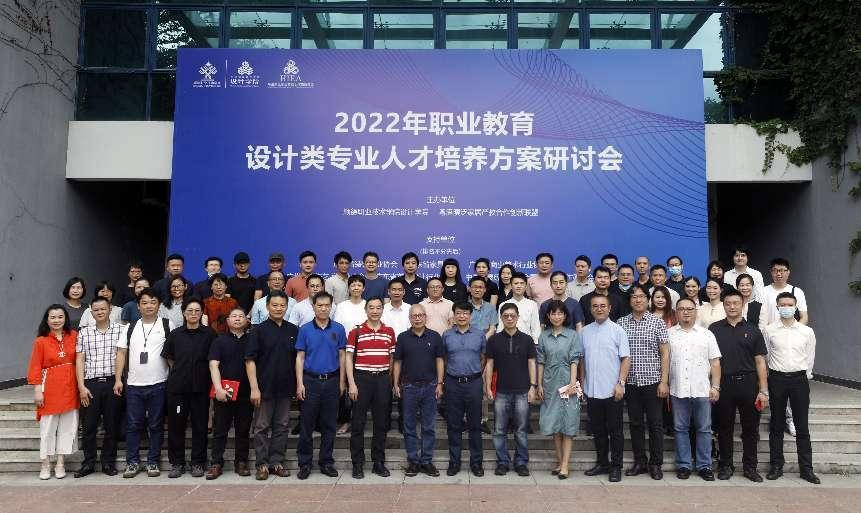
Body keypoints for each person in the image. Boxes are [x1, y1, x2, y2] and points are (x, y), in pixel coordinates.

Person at [709, 289, 769, 482]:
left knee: (750, 429)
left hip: (749, 384)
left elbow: (760, 361)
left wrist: (763, 390)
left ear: (742, 305)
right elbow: (711, 360)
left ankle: (750, 467)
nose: (732, 307)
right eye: (728, 303)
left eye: (736, 303)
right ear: (724, 305)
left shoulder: (753, 329)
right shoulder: (714, 329)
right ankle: (726, 465)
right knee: (724, 427)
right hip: (724, 383)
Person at [114, 288, 174, 478]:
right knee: (133, 425)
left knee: (156, 424)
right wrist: (118, 379)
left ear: (159, 305)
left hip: (159, 383)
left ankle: (152, 461)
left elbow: (173, 353)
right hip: (134, 385)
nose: (149, 306)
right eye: (145, 302)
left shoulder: (167, 324)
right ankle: (132, 462)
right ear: (138, 306)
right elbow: (121, 353)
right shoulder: (129, 327)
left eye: (153, 302)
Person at [763, 292, 819, 484]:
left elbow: (810, 356)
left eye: (789, 304)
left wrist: (805, 375)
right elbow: (766, 355)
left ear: (795, 307)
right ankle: (776, 466)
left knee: (802, 426)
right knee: (776, 424)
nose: (786, 307)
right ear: (777, 307)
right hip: (777, 379)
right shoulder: (769, 330)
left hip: (799, 380)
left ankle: (806, 469)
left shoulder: (806, 331)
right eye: (782, 304)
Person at [617, 285, 669, 480]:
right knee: (635, 423)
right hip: (630, 382)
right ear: (629, 300)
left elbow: (665, 354)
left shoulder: (657, 322)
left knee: (655, 424)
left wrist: (664, 381)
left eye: (641, 296)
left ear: (648, 300)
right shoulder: (621, 323)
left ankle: (656, 464)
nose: (637, 300)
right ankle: (640, 461)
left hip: (653, 382)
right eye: (634, 297)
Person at [162, 298, 217, 478]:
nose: (193, 314)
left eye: (197, 311)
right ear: (184, 313)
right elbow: (169, 358)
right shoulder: (175, 334)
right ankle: (177, 463)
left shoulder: (210, 334)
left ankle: (198, 462)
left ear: (201, 313)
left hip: (201, 388)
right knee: (176, 427)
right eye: (190, 310)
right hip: (178, 388)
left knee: (200, 427)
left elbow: (214, 359)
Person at [245, 291, 298, 480]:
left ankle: (276, 462)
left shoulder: (293, 330)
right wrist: (254, 388)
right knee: (261, 427)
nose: (278, 308)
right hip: (264, 387)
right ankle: (262, 464)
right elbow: (250, 360)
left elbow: (298, 360)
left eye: (282, 305)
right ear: (267, 307)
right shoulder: (258, 330)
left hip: (285, 387)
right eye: (274, 305)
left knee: (282, 426)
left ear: (287, 307)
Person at [668, 297, 722, 481]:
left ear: (695, 311)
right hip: (678, 389)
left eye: (689, 309)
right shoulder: (669, 334)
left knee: (704, 429)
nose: (686, 312)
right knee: (680, 428)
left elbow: (715, 362)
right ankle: (684, 465)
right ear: (676, 312)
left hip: (702, 389)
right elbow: (665, 361)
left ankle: (704, 466)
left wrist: (716, 386)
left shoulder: (706, 334)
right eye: (681, 309)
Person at [295, 291, 347, 480]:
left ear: (331, 307)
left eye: (327, 305)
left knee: (329, 425)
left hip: (332, 381)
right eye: (320, 305)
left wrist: (342, 382)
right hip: (310, 381)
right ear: (313, 307)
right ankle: (305, 463)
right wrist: (300, 383)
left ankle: (326, 462)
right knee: (306, 424)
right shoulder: (305, 329)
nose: (323, 308)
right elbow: (300, 357)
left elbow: (342, 356)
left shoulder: (339, 329)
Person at [580, 294, 630, 482]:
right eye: (595, 306)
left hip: (612, 390)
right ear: (591, 309)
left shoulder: (618, 331)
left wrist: (621, 383)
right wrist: (582, 383)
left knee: (615, 431)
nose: (599, 309)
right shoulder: (584, 332)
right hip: (592, 390)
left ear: (609, 308)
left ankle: (616, 466)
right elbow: (582, 360)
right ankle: (602, 463)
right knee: (598, 430)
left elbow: (626, 358)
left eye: (603, 306)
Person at [485, 303, 538, 476]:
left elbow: (532, 363)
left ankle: (521, 462)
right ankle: (502, 462)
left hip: (522, 390)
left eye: (512, 316)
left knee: (521, 430)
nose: (509, 318)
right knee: (499, 430)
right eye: (506, 316)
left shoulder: (527, 339)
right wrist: (488, 387)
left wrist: (533, 386)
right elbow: (489, 364)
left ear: (517, 317)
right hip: (501, 391)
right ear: (501, 318)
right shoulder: (494, 340)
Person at [345, 297, 396, 479]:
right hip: (361, 379)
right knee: (358, 423)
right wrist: (351, 383)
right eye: (371, 308)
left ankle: (378, 462)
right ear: (366, 310)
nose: (375, 311)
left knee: (381, 423)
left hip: (382, 380)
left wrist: (388, 380)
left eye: (378, 308)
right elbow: (348, 358)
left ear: (383, 310)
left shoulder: (389, 331)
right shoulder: (356, 331)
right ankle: (357, 464)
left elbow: (391, 358)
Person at [393, 304, 445, 477]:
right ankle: (413, 461)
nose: (417, 318)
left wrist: (440, 383)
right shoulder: (403, 337)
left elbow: (440, 360)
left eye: (420, 315)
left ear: (425, 317)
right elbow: (397, 362)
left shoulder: (435, 336)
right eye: (414, 316)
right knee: (409, 427)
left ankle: (427, 461)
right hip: (409, 387)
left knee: (428, 426)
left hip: (430, 387)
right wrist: (395, 383)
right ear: (410, 318)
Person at [28, 304, 79, 480]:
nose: (57, 320)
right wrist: (37, 390)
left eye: (60, 317)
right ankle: (45, 463)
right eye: (53, 317)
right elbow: (35, 366)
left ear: (65, 319)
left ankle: (60, 463)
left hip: (70, 386)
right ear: (47, 320)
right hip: (49, 387)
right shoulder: (40, 341)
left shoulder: (74, 336)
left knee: (68, 427)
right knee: (48, 427)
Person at [74, 297, 123, 478]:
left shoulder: (121, 330)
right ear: (91, 312)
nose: (100, 312)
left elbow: (122, 355)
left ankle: (108, 462)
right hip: (91, 385)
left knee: (111, 426)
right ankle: (88, 463)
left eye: (103, 309)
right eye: (96, 310)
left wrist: (118, 380)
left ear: (109, 309)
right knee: (89, 426)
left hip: (112, 383)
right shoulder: (84, 332)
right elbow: (80, 360)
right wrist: (81, 386)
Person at [536, 300, 582, 479]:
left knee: (568, 424)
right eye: (553, 313)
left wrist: (572, 383)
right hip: (549, 384)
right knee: (554, 425)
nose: (556, 317)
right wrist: (539, 384)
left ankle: (565, 465)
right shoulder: (543, 336)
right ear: (548, 316)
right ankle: (559, 461)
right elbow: (541, 361)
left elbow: (574, 360)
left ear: (565, 316)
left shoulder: (572, 335)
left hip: (567, 383)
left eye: (560, 313)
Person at [206, 308, 254, 480]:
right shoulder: (219, 340)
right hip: (224, 392)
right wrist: (218, 388)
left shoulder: (252, 340)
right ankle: (216, 463)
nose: (238, 319)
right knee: (220, 429)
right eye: (234, 316)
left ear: (246, 321)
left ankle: (241, 462)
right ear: (227, 321)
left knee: (243, 430)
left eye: (241, 316)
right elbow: (213, 365)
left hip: (246, 392)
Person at [442, 301, 486, 477]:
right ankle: (454, 462)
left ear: (470, 315)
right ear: (454, 315)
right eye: (458, 313)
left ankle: (476, 463)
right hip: (453, 383)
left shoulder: (479, 334)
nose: (462, 316)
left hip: (474, 383)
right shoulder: (446, 335)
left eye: (465, 313)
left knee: (475, 424)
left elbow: (483, 357)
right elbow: (444, 358)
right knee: (454, 425)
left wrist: (475, 372)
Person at [762, 258, 809, 325]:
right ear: (771, 272)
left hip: (792, 330)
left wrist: (795, 330)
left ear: (788, 272)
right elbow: (760, 317)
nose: (778, 274)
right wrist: (767, 330)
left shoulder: (797, 292)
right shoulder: (763, 291)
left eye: (781, 270)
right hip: (770, 330)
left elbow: (804, 317)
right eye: (775, 270)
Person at [497, 272, 541, 343]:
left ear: (526, 286)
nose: (519, 286)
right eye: (516, 283)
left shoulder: (532, 305)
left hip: (526, 344)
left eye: (521, 283)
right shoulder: (503, 305)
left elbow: (535, 328)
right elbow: (500, 327)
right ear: (511, 286)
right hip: (507, 343)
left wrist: (535, 344)